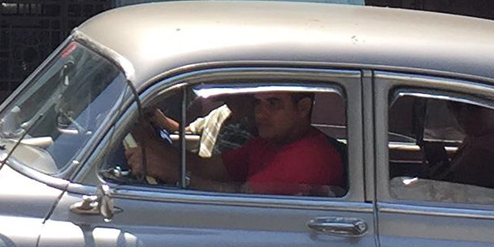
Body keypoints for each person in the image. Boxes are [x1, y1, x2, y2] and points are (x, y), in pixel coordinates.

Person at [128, 87, 344, 197]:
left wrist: (175, 174)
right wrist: (145, 138)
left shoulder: (307, 157)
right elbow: (206, 167)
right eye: (258, 103)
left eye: (273, 104)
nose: (261, 113)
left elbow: (240, 199)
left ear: (303, 108)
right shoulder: (269, 142)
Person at [438, 100, 494, 193]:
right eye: (455, 106)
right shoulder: (481, 136)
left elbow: (448, 191)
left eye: (474, 106)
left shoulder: (491, 154)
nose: (463, 114)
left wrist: (437, 161)